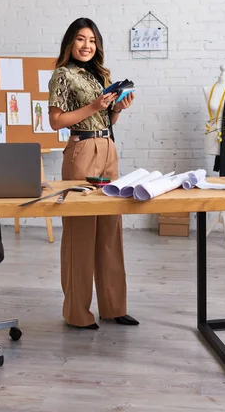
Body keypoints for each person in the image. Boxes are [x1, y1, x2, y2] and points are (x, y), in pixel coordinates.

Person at [48, 18, 138, 330]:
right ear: (70, 43)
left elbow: (104, 118)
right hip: (81, 151)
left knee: (111, 230)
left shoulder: (99, 74)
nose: (87, 45)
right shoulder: (63, 75)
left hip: (108, 148)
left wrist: (116, 109)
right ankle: (77, 312)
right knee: (81, 233)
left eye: (92, 40)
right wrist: (95, 105)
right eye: (81, 39)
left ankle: (113, 307)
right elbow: (56, 122)